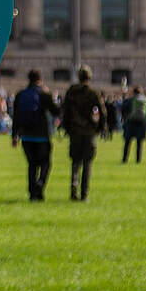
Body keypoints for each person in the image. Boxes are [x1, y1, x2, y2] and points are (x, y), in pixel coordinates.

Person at [12, 69, 61, 201]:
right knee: (46, 163)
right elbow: (56, 111)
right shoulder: (43, 94)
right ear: (40, 79)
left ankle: (33, 193)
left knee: (32, 165)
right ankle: (40, 184)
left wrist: (14, 136)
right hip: (42, 135)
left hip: (26, 136)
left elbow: (15, 117)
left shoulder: (20, 94)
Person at [61, 66, 105, 201]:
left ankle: (74, 190)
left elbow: (65, 111)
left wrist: (67, 128)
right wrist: (100, 128)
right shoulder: (93, 93)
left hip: (75, 132)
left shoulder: (71, 92)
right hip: (89, 132)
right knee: (87, 164)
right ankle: (84, 193)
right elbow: (103, 113)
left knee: (75, 162)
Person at [121, 86, 146, 163]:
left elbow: (123, 109)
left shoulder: (130, 100)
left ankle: (124, 159)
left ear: (134, 92)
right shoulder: (145, 101)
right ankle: (138, 160)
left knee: (127, 143)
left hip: (130, 122)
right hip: (142, 123)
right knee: (139, 144)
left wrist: (124, 117)